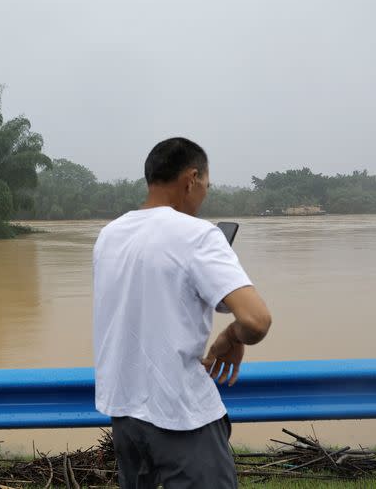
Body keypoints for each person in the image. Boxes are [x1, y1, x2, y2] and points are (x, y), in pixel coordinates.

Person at [92, 137, 272, 489]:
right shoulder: (199, 235)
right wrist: (231, 336)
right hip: (181, 416)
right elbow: (256, 320)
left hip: (125, 415)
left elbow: (158, 299)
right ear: (191, 179)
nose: (205, 193)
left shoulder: (108, 236)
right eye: (206, 184)